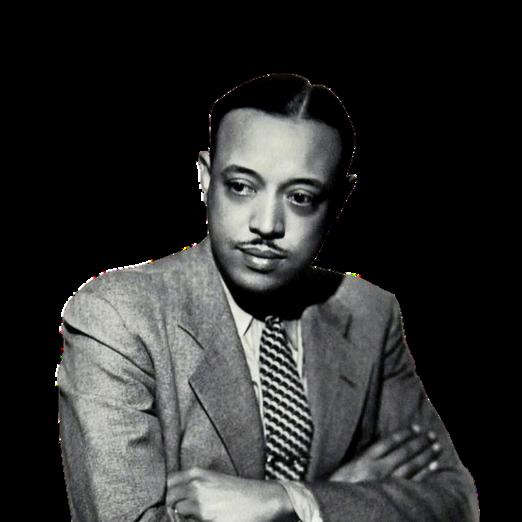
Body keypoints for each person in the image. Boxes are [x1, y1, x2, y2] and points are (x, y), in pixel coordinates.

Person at [58, 73, 479, 521]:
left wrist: (292, 499)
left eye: (300, 197)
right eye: (241, 186)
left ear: (339, 200)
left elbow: (455, 501)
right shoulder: (118, 317)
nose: (266, 224)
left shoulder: (370, 314)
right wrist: (343, 497)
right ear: (205, 178)